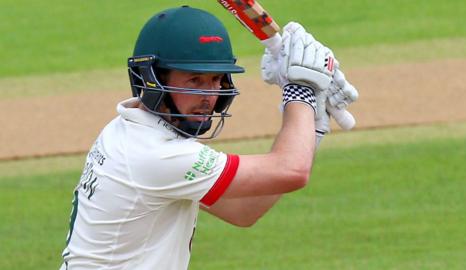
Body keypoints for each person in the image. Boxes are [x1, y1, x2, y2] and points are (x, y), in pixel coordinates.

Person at [60, 6, 357, 270]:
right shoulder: (156, 155)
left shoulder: (132, 130)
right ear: (153, 78)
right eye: (194, 80)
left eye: (216, 80)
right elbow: (291, 170)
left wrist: (313, 123)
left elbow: (243, 211)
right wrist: (300, 91)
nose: (209, 96)